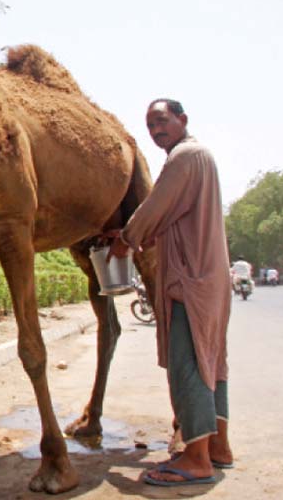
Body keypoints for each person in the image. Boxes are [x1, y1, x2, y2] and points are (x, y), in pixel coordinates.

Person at [106, 99, 233, 486]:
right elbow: (170, 215)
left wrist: (126, 240)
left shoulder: (184, 158)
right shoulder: (201, 157)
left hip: (189, 280)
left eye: (161, 121)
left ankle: (196, 460)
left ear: (183, 120)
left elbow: (153, 208)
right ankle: (217, 447)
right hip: (209, 278)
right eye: (149, 124)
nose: (156, 129)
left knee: (189, 363)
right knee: (212, 361)